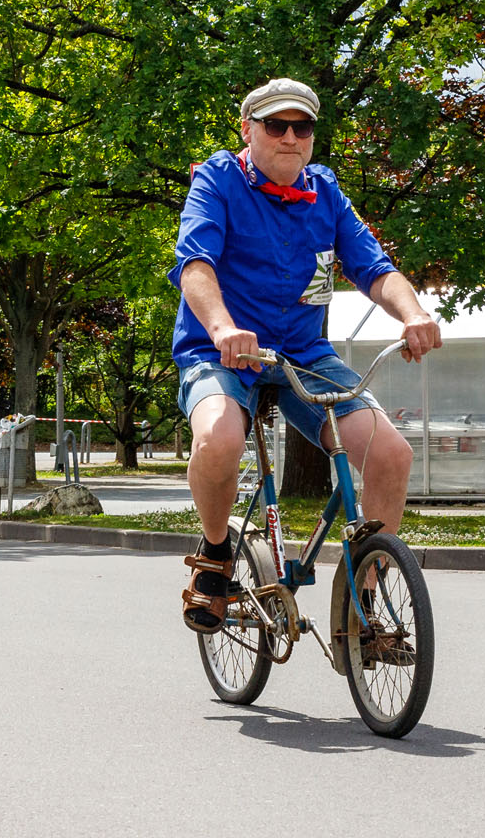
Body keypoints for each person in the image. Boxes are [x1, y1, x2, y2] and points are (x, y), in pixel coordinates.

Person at [169, 77, 442, 631]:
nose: (290, 137)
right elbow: (195, 265)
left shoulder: (325, 192)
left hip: (301, 353)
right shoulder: (218, 179)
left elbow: (374, 268)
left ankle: (362, 601)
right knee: (219, 439)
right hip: (221, 350)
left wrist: (413, 314)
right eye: (276, 125)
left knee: (392, 454)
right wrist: (223, 328)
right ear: (248, 131)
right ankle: (216, 555)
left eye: (302, 127)